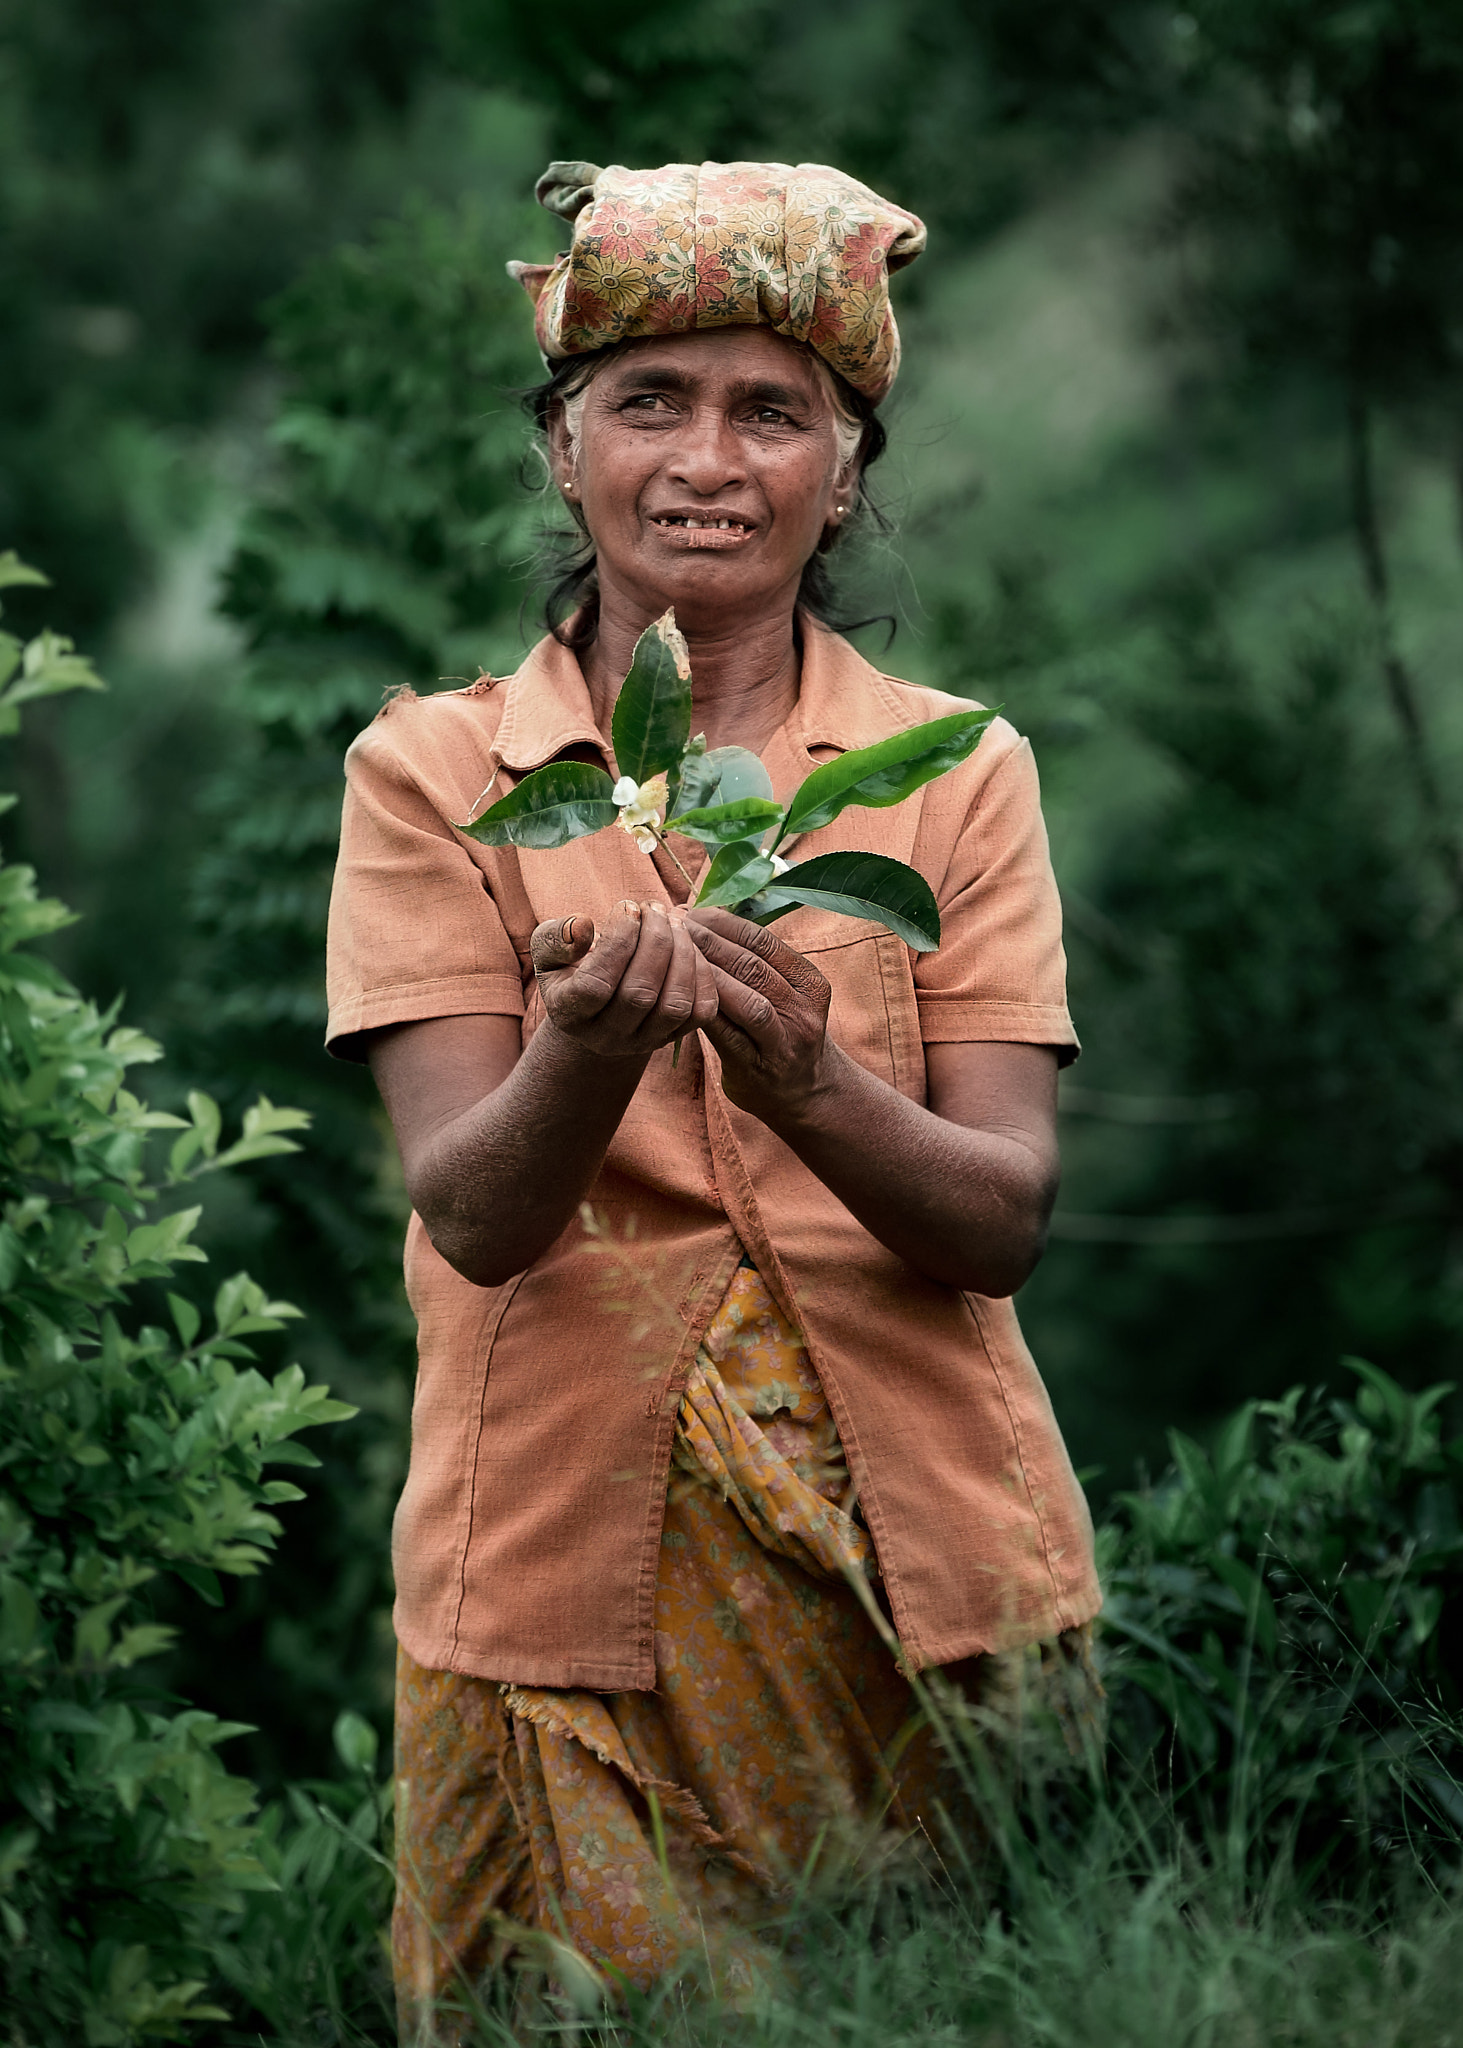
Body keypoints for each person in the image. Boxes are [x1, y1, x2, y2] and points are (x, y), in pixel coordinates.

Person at [325, 158, 1102, 2036]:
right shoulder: (442, 775)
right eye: (648, 400)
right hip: (554, 1591)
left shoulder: (947, 778)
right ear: (562, 447)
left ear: (844, 472)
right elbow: (479, 1211)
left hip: (926, 1587)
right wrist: (591, 1046)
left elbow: (999, 1216)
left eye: (776, 412)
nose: (707, 457)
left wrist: (810, 1077)